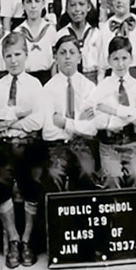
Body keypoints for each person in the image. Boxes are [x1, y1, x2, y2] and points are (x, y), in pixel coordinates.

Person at [0, 32, 46, 268]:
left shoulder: (34, 85)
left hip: (28, 144)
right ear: (3, 58)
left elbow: (38, 121)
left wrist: (9, 120)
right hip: (3, 145)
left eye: (18, 55)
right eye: (9, 56)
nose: (13, 60)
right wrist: (20, 115)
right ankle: (13, 237)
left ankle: (27, 239)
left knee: (31, 182)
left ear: (26, 55)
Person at [90, 35, 136, 189]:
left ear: (131, 59)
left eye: (124, 58)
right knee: (113, 178)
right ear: (109, 60)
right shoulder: (102, 88)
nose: (120, 64)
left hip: (133, 142)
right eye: (116, 59)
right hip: (109, 144)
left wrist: (114, 111)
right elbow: (99, 121)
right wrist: (132, 114)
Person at [42, 35, 98, 192]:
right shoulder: (47, 89)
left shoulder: (89, 88)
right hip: (57, 146)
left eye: (72, 52)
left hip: (82, 145)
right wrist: (79, 122)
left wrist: (65, 123)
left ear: (79, 57)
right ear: (56, 58)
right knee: (53, 175)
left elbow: (91, 129)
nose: (67, 57)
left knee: (87, 173)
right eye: (62, 53)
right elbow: (48, 131)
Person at [56, 0, 102, 83]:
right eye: (72, 5)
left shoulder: (97, 34)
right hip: (68, 81)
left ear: (88, 7)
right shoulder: (61, 34)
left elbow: (102, 66)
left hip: (93, 80)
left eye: (81, 4)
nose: (77, 9)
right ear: (67, 8)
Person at [15, 0, 57, 84]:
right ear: (23, 5)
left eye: (37, 1)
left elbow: (55, 61)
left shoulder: (51, 30)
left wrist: (53, 83)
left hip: (47, 79)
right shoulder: (18, 32)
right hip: (26, 80)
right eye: (29, 2)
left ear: (43, 4)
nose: (33, 6)